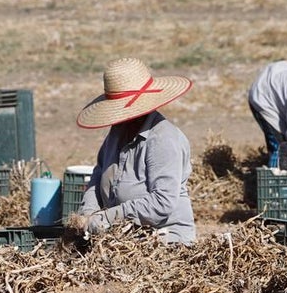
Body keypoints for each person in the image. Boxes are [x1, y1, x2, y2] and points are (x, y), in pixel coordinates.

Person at [72, 57, 196, 245]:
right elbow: (97, 178)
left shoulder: (163, 139)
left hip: (163, 240)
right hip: (121, 239)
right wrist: (88, 215)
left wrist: (105, 218)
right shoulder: (116, 133)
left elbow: (162, 202)